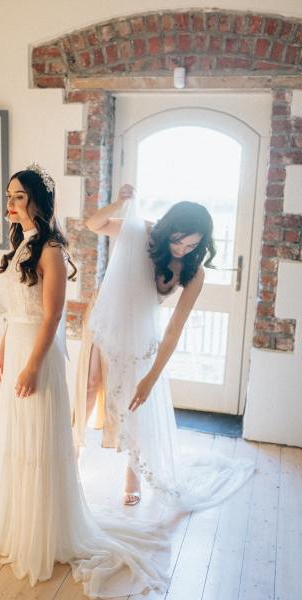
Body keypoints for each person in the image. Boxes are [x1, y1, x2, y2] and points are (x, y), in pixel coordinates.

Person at [0, 165, 170, 597]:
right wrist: (1, 350)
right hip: (16, 344)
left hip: (39, 352)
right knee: (19, 438)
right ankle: (21, 523)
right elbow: (15, 308)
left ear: (36, 201)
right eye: (8, 196)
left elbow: (51, 316)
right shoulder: (20, 245)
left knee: (40, 440)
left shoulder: (50, 248)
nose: (10, 203)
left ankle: (46, 532)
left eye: (18, 196)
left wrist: (31, 366)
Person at [73, 184, 254, 508]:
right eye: (178, 240)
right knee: (90, 385)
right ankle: (73, 454)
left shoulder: (193, 272)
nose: (183, 249)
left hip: (142, 334)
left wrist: (152, 376)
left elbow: (173, 329)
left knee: (136, 401)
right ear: (168, 229)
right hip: (106, 319)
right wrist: (120, 202)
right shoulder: (144, 233)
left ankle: (133, 474)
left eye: (192, 244)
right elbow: (94, 225)